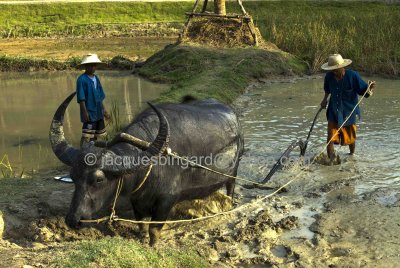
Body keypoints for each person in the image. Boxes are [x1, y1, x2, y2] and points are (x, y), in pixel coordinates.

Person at [320, 54, 376, 162]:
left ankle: (352, 156)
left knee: (350, 138)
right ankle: (331, 162)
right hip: (333, 111)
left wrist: (370, 88)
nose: (334, 72)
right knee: (330, 138)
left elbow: (364, 92)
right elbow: (327, 89)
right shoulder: (329, 76)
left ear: (342, 67)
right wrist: (324, 100)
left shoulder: (353, 76)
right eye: (332, 70)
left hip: (348, 111)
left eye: (336, 69)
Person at [76, 54, 110, 147]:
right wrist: (84, 112)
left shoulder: (96, 78)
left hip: (98, 110)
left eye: (94, 65)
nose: (92, 67)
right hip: (89, 111)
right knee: (87, 135)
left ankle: (93, 149)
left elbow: (100, 96)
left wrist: (104, 111)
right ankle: (82, 150)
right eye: (90, 65)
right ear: (86, 66)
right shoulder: (81, 79)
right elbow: (81, 97)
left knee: (96, 134)